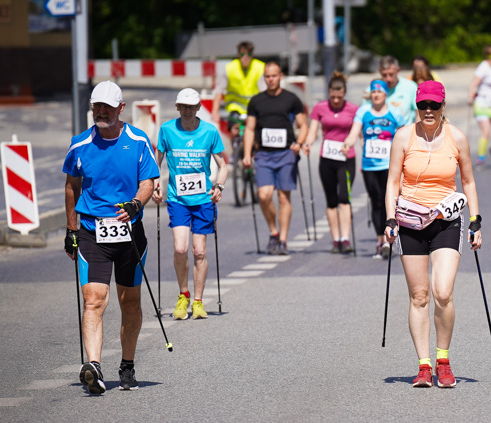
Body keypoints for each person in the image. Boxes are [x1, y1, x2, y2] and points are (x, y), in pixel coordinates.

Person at [63, 81, 160, 394]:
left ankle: (127, 365)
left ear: (121, 108)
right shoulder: (80, 145)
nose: (101, 111)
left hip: (130, 234)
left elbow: (147, 183)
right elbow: (71, 187)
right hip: (92, 233)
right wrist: (71, 229)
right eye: (96, 106)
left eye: (107, 106)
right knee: (94, 300)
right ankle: (94, 366)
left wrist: (136, 203)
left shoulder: (138, 140)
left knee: (129, 302)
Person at [384, 80, 482, 388]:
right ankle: (424, 366)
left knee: (442, 292)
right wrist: (389, 218)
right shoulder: (403, 137)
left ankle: (443, 360)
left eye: (434, 106)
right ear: (417, 107)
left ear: (442, 107)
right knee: (419, 296)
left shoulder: (457, 138)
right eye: (423, 106)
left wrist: (476, 220)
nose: (428, 111)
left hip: (446, 221)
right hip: (411, 222)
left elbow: (468, 181)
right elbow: (392, 183)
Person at [153, 88, 227, 321]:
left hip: (204, 199)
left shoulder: (209, 131)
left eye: (191, 107)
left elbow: (223, 165)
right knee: (180, 249)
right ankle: (183, 294)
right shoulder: (166, 130)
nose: (187, 111)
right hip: (178, 199)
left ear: (198, 108)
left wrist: (219, 186)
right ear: (177, 107)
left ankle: (197, 301)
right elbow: (157, 163)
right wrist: (156, 185)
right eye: (183, 107)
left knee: (199, 251)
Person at [243, 60, 308, 255]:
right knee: (263, 195)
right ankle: (273, 231)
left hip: (286, 153)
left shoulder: (292, 99)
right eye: (267, 76)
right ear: (265, 78)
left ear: (281, 76)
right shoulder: (256, 101)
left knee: (283, 196)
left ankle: (283, 240)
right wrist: (247, 154)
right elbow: (250, 128)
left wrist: (299, 142)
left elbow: (302, 125)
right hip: (263, 154)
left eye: (274, 76)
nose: (271, 79)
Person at [343, 79, 405, 259]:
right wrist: (347, 144)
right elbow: (354, 133)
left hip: (389, 164)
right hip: (369, 165)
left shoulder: (394, 112)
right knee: (376, 201)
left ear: (385, 94)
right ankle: (380, 241)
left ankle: (389, 238)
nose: (376, 95)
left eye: (379, 92)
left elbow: (403, 134)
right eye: (373, 92)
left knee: (390, 200)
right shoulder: (363, 112)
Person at [303, 72, 359, 253]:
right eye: (332, 97)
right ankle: (336, 239)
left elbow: (359, 133)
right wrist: (308, 143)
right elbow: (313, 130)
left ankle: (346, 237)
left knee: (344, 198)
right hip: (327, 158)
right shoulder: (319, 108)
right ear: (328, 93)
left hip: (346, 158)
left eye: (339, 97)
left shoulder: (352, 109)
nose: (335, 101)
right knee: (331, 200)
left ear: (344, 93)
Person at [212, 41, 265, 137]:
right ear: (238, 55)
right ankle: (235, 149)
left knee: (257, 131)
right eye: (242, 54)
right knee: (234, 131)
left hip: (254, 107)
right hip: (235, 107)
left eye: (248, 54)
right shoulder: (229, 68)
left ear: (252, 55)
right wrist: (215, 112)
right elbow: (219, 90)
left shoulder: (260, 67)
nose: (245, 57)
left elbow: (264, 92)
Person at [378, 55, 418, 125]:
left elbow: (419, 112)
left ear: (398, 70)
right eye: (384, 75)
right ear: (380, 72)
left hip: (406, 132)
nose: (388, 79)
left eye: (391, 74)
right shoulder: (373, 90)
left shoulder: (411, 87)